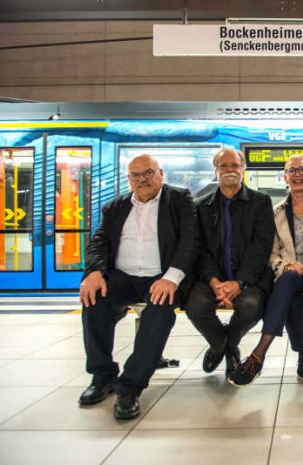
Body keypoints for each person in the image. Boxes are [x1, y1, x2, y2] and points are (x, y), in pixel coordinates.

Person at [78, 154, 198, 420]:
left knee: (159, 312)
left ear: (161, 173)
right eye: (135, 175)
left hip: (161, 276)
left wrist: (172, 277)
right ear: (128, 179)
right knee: (94, 301)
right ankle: (103, 375)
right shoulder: (115, 207)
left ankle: (130, 388)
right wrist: (94, 272)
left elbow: (190, 240)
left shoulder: (179, 200)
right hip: (122, 276)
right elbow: (99, 241)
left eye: (148, 173)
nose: (142, 179)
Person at [229, 155, 303, 386]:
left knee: (290, 293)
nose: (297, 175)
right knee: (291, 292)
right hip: (288, 274)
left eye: (302, 169)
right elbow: (270, 253)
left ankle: (258, 355)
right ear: (285, 177)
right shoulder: (276, 212)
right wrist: (284, 266)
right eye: (292, 171)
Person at [185, 147, 275, 379]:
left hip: (249, 278)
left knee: (251, 306)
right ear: (215, 171)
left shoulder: (261, 202)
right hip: (210, 278)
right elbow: (199, 248)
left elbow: (261, 246)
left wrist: (239, 282)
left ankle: (228, 343)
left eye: (234, 165)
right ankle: (222, 346)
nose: (229, 170)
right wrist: (215, 282)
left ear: (243, 169)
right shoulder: (200, 205)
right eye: (223, 166)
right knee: (195, 306)